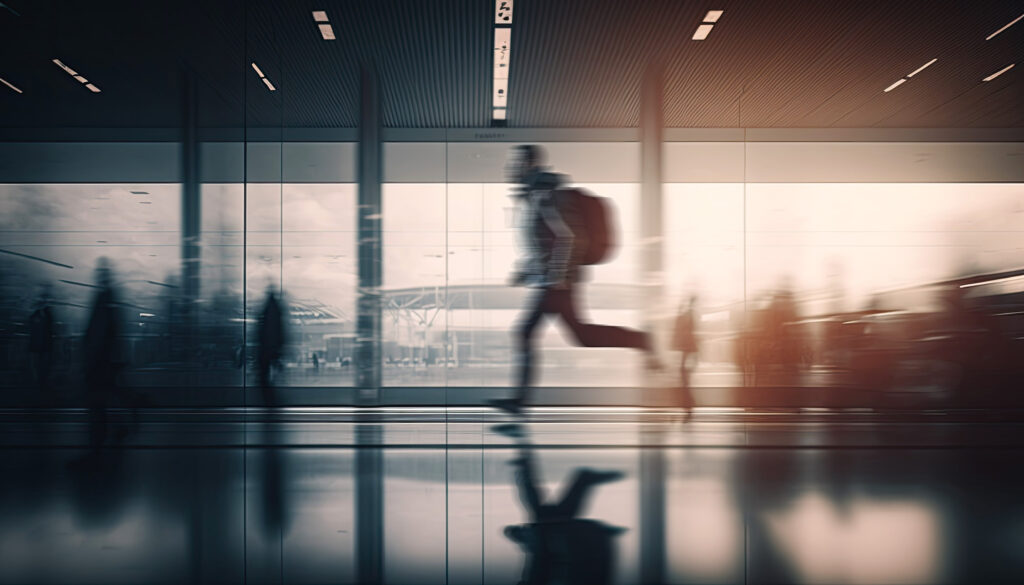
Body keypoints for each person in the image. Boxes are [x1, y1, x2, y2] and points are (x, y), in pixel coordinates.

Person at [495, 145, 661, 415]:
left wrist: (557, 275)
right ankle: (643, 340)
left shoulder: (546, 195)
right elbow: (544, 243)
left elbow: (571, 237)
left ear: (528, 164)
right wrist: (526, 269)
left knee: (527, 333)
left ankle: (518, 401)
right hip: (552, 280)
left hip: (557, 282)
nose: (509, 168)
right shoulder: (535, 195)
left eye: (514, 162)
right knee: (582, 335)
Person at [672, 295, 699, 421]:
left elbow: (685, 333)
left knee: (685, 380)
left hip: (687, 351)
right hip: (688, 351)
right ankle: (688, 405)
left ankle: (688, 406)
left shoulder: (689, 316)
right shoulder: (690, 315)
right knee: (685, 379)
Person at [28, 284, 56, 398]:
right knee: (39, 366)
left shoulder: (46, 312)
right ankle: (40, 385)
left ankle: (42, 385)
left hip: (42, 344)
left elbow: (50, 327)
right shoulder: (39, 312)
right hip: (39, 344)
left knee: (43, 366)